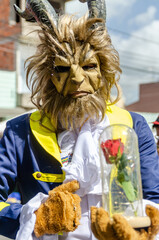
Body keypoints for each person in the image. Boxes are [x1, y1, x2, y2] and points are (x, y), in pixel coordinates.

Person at [0, 0, 159, 239]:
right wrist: (35, 217)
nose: (76, 78)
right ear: (48, 75)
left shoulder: (133, 126)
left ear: (103, 70)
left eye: (89, 65)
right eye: (63, 68)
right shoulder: (19, 132)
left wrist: (141, 230)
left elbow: (152, 199)